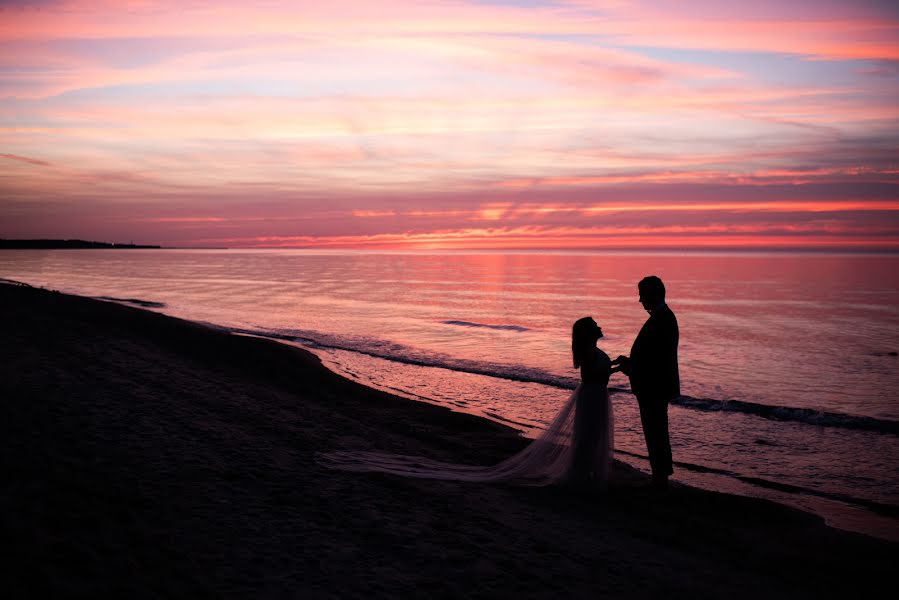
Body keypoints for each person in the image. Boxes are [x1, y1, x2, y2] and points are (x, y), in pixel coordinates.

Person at [316, 317, 615, 489]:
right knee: (585, 438)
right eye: (596, 326)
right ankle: (578, 477)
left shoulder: (593, 351)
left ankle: (584, 474)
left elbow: (600, 372)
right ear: (589, 334)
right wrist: (619, 368)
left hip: (596, 397)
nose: (600, 327)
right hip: (591, 397)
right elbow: (595, 375)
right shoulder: (590, 354)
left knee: (591, 437)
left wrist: (617, 367)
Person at [612, 276, 679, 490]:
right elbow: (652, 357)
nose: (639, 300)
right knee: (654, 431)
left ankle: (660, 480)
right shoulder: (661, 317)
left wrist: (632, 368)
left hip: (654, 387)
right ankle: (659, 477)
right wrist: (631, 363)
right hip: (652, 385)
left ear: (652, 294)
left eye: (642, 294)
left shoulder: (663, 319)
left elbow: (658, 360)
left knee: (656, 431)